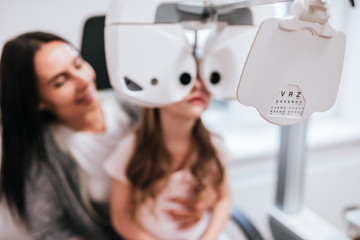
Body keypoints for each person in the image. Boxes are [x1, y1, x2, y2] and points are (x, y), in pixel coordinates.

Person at [0, 31, 212, 240]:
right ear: (38, 100)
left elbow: (202, 157)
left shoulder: (139, 108)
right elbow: (49, 230)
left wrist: (205, 198)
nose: (83, 80)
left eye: (78, 64)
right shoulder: (43, 157)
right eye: (60, 81)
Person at [104, 64, 232, 240]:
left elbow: (223, 199)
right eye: (184, 79)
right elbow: (121, 216)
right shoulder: (132, 148)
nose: (197, 86)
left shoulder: (213, 146)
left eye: (203, 77)